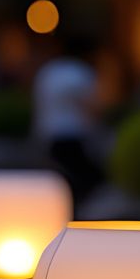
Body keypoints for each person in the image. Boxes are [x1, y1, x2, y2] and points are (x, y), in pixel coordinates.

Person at [32, 34, 104, 196]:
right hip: (75, 135)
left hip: (49, 134)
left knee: (58, 182)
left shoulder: (48, 71)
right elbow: (91, 106)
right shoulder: (80, 72)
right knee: (82, 183)